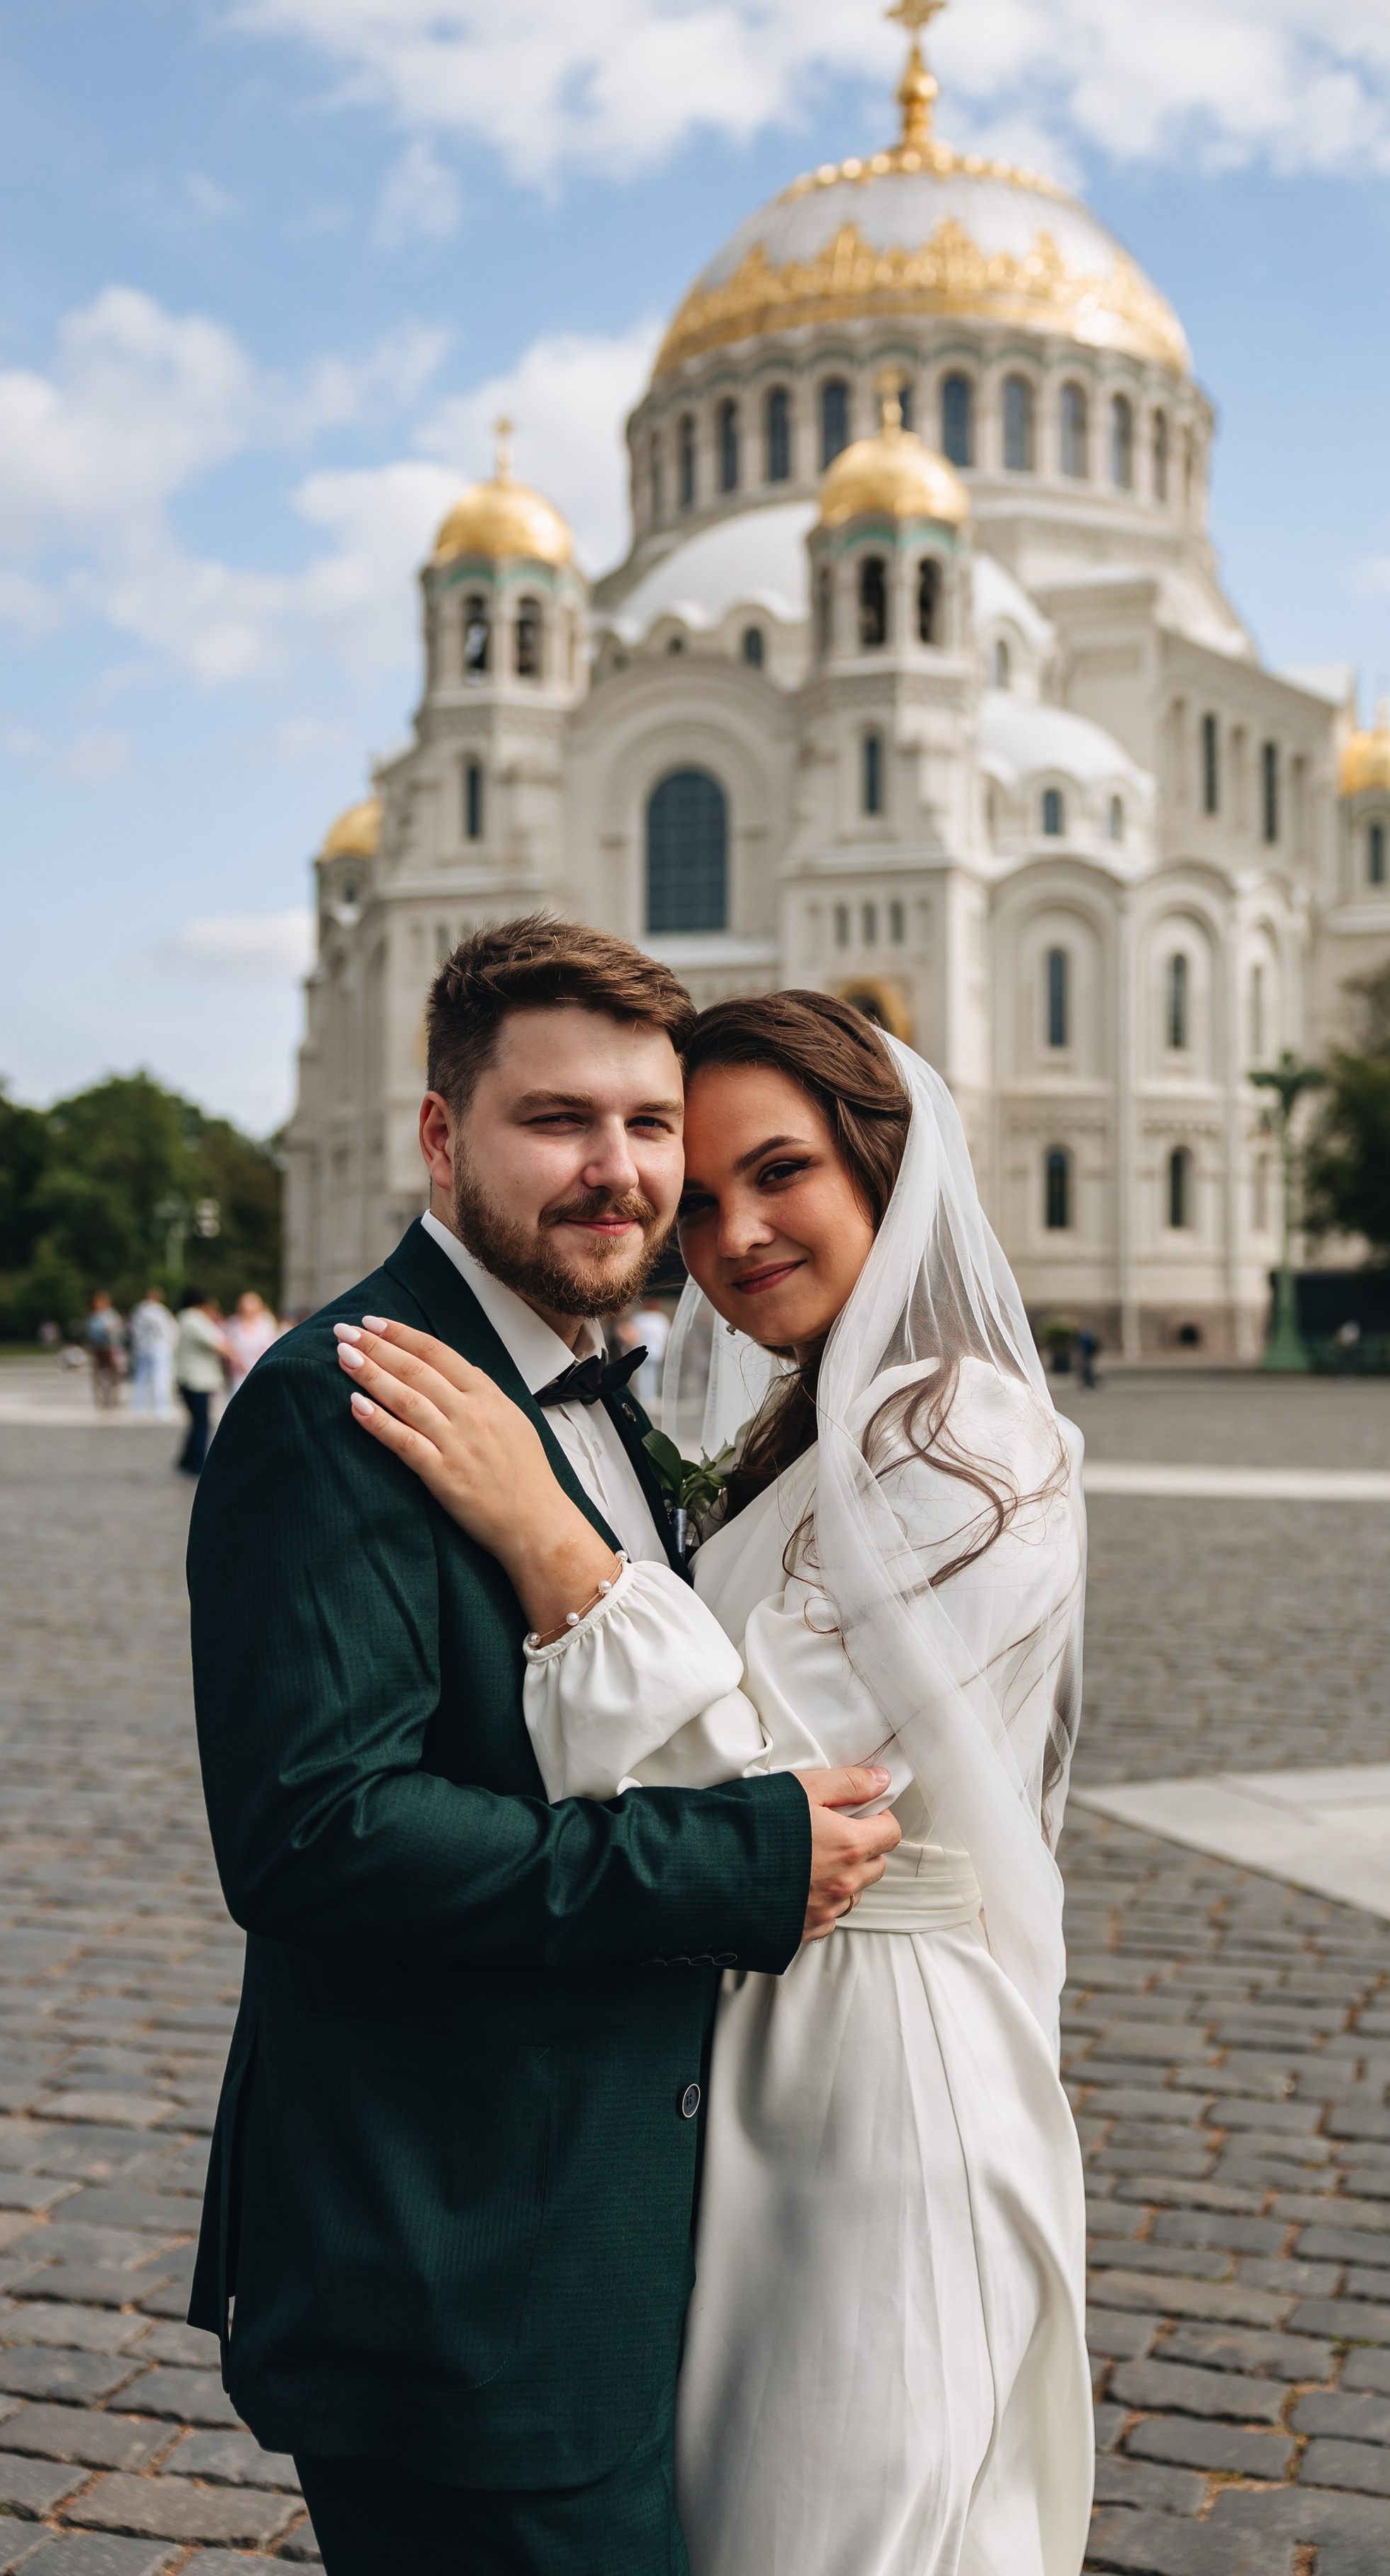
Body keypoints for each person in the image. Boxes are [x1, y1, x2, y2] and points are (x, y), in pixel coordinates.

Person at [342, 989, 1093, 2576]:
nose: (733, 1233)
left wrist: (541, 1533)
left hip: (868, 2053)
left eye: (782, 1172)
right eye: (700, 1201)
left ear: (882, 1163)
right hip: (736, 2039)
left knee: (837, 2511)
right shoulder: (818, 1422)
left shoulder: (968, 1434)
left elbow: (762, 1783)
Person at [184, 919, 898, 2576]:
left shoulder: (589, 1383)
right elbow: (318, 1836)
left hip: (604, 2237)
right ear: (441, 1136)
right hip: (458, 2265)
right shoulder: (336, 1401)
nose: (617, 1171)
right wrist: (738, 1860)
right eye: (556, 1120)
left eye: (647, 1125)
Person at [173, 1289, 227, 1476]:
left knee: (197, 1421)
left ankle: (187, 1460)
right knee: (202, 1423)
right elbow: (218, 1342)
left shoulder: (185, 1318)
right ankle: (196, 1463)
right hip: (197, 1380)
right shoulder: (194, 1319)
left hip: (189, 1377)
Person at [129, 1287, 178, 1417]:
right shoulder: (159, 1310)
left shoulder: (139, 1310)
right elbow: (169, 1329)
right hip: (160, 1347)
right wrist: (171, 1345)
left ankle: (139, 1406)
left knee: (141, 1377)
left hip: (142, 1348)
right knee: (161, 1377)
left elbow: (134, 1331)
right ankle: (162, 1407)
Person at [222, 1289, 279, 1393]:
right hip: (239, 1373)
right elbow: (228, 1347)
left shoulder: (266, 1325)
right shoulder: (233, 1324)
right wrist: (237, 1362)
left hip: (261, 1370)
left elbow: (271, 1346)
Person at [83, 1292, 126, 1408]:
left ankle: (113, 1398)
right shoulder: (94, 1317)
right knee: (100, 1375)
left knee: (113, 1374)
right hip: (98, 1348)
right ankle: (102, 1398)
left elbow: (118, 1331)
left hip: (110, 1347)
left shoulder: (111, 1315)